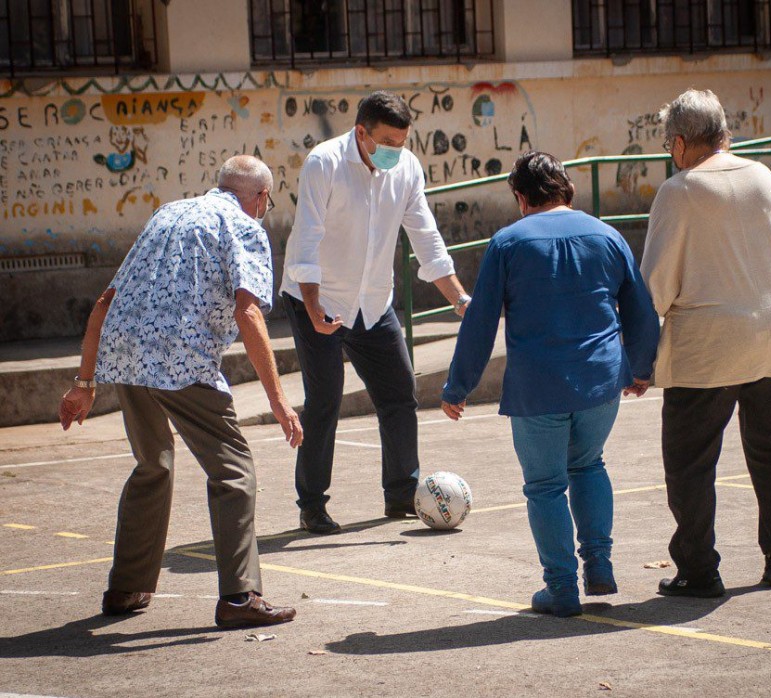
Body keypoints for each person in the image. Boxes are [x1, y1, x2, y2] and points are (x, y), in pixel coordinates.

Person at [58, 155, 300, 628]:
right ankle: (238, 598)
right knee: (233, 470)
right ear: (261, 198)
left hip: (126, 353)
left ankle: (126, 588)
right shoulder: (245, 227)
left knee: (154, 465)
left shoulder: (167, 213)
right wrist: (279, 399)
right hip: (180, 357)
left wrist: (84, 383)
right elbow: (249, 314)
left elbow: (106, 301)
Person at [441, 151, 660, 617]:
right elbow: (641, 307)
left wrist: (457, 387)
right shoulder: (607, 235)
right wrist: (641, 368)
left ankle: (561, 588)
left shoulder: (507, 243)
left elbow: (479, 323)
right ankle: (599, 564)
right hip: (601, 379)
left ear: (521, 198)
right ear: (569, 191)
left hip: (538, 384)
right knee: (589, 465)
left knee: (544, 486)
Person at [641, 89, 771, 598]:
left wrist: (637, 357)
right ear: (725, 134)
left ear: (679, 143)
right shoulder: (767, 179)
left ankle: (699, 570)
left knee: (691, 460)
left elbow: (655, 288)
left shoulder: (679, 191)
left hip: (709, 345)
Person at [281, 90, 471, 534]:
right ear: (361, 133)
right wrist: (312, 307)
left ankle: (401, 493)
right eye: (387, 141)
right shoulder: (323, 163)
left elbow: (426, 238)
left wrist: (460, 299)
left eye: (402, 142)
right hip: (317, 299)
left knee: (400, 392)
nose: (395, 151)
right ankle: (312, 504)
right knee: (325, 397)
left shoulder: (406, 168)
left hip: (373, 302)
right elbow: (306, 240)